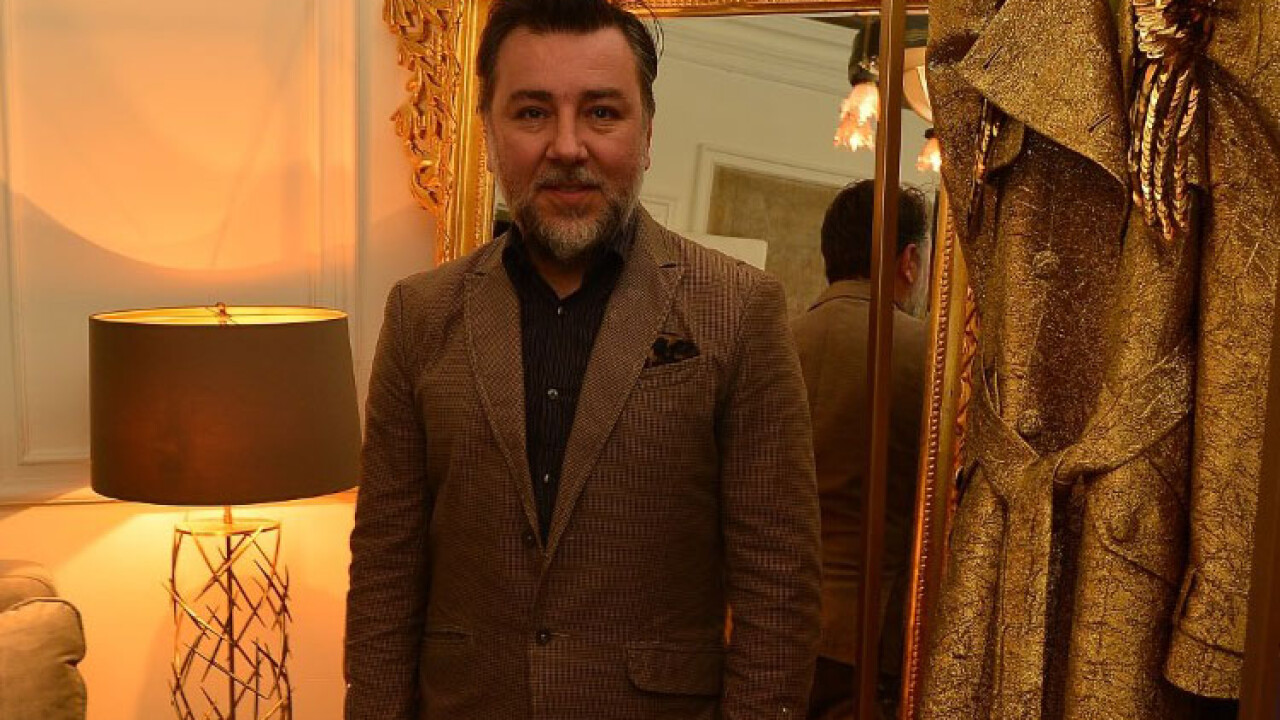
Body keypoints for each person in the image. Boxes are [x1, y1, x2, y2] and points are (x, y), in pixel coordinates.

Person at [343, 1, 822, 718]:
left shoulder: (739, 309)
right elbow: (387, 568)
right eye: (533, 113)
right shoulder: (421, 315)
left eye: (601, 113)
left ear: (647, 133)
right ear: (489, 133)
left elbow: (778, 588)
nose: (567, 146)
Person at [791, 180, 930, 720]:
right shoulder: (928, 357)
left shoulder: (777, 342)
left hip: (769, 622)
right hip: (871, 636)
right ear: (909, 261)